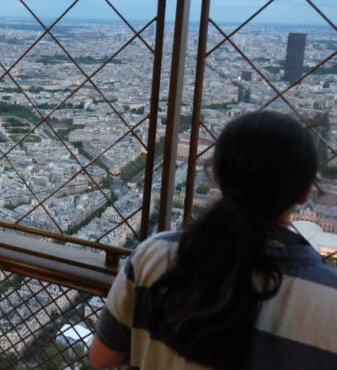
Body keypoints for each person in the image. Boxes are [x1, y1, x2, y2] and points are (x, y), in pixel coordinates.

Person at [89, 110, 337, 369]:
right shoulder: (330, 300)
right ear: (305, 192)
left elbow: (102, 358)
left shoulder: (153, 255)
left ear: (216, 176)